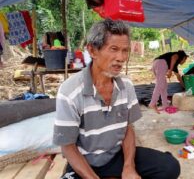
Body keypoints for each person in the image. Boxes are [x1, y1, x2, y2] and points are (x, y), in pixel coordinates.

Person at [53, 19, 180, 179]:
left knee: (169, 167)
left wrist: (129, 167)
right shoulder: (69, 91)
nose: (121, 58)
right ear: (92, 51)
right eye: (114, 49)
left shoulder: (126, 85)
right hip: (84, 161)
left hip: (116, 157)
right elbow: (68, 147)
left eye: (125, 50)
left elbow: (128, 129)